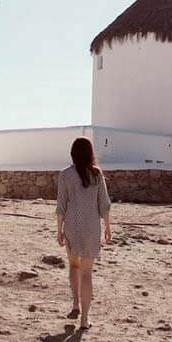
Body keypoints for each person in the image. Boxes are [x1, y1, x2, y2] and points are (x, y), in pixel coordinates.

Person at [55, 137, 112, 330]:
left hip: (72, 225)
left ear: (72, 153)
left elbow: (61, 206)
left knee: (73, 266)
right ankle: (85, 320)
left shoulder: (65, 175)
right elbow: (104, 204)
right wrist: (108, 228)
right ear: (90, 153)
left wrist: (58, 230)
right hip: (91, 228)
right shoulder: (97, 175)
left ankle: (75, 304)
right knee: (87, 274)